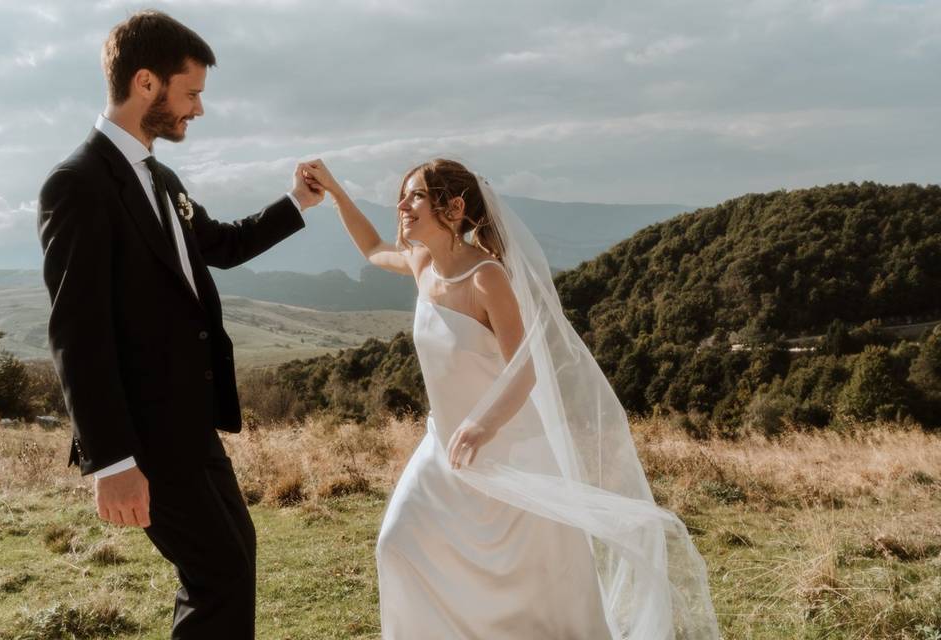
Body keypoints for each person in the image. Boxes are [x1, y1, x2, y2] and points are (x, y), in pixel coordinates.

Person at [300, 157, 721, 639]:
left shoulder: (487, 278)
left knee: (531, 589)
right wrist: (333, 190)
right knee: (396, 543)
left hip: (506, 456)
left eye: (415, 195)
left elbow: (526, 369)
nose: (402, 204)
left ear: (453, 208)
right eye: (406, 194)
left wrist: (484, 425)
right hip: (442, 450)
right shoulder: (422, 264)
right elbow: (373, 246)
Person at [37, 11, 322, 638]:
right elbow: (76, 335)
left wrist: (296, 202)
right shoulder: (78, 184)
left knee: (234, 557)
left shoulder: (159, 177)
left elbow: (220, 244)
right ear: (146, 83)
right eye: (190, 92)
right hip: (143, 434)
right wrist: (111, 462)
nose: (197, 109)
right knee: (218, 570)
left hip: (191, 421)